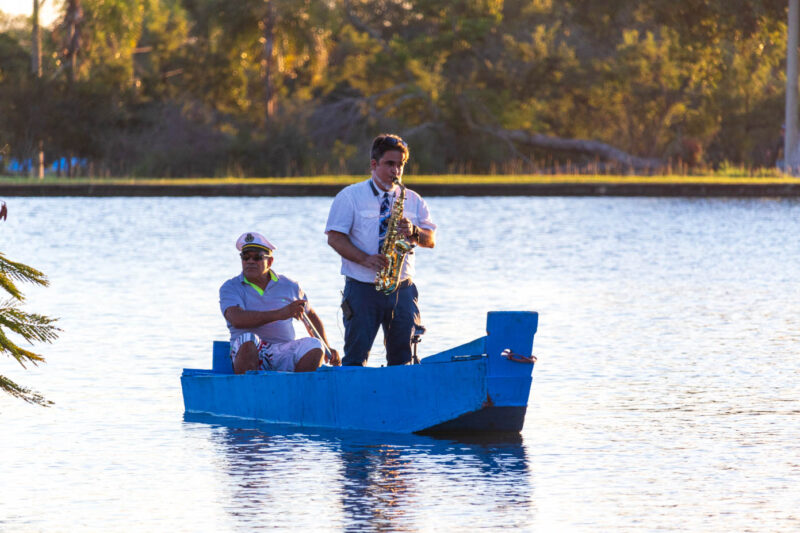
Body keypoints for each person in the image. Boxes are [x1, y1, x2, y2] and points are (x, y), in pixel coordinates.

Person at [325, 133, 436, 366]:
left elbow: (430, 239)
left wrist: (414, 232)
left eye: (400, 165)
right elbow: (335, 238)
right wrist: (365, 259)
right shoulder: (350, 196)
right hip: (362, 289)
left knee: (404, 358)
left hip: (402, 289)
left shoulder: (412, 199)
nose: (396, 171)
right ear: (374, 165)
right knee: (356, 357)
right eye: (390, 164)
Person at [219, 231, 340, 374]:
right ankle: (251, 390)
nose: (250, 261)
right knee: (248, 339)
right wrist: (281, 313)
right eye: (245, 257)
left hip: (282, 350)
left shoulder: (290, 286)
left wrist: (327, 347)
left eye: (257, 257)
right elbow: (237, 319)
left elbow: (310, 315)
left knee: (314, 345)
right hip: (250, 350)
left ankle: (298, 391)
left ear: (269, 262)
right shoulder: (231, 287)